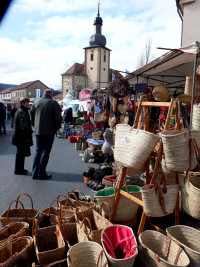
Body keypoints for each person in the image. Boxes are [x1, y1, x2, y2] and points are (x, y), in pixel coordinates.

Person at [30, 89, 62, 180]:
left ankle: (34, 173)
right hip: (49, 131)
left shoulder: (36, 102)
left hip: (38, 130)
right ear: (50, 94)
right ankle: (41, 173)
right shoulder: (53, 103)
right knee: (45, 151)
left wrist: (34, 125)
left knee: (38, 151)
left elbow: (31, 116)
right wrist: (57, 128)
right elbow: (58, 118)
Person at [12, 98, 33, 175]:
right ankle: (18, 170)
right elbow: (23, 127)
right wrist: (26, 138)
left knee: (21, 153)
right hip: (21, 137)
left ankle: (20, 168)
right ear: (23, 103)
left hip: (19, 136)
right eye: (27, 103)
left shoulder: (21, 111)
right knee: (20, 154)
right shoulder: (22, 112)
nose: (28, 104)